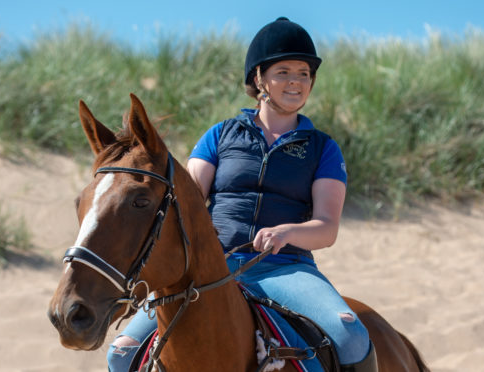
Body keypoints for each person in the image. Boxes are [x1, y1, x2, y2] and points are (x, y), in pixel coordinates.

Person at [107, 17, 377, 372]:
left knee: (351, 335)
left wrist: (287, 233)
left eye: (304, 73)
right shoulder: (218, 136)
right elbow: (185, 205)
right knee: (121, 353)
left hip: (286, 269)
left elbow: (326, 228)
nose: (296, 81)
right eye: (283, 71)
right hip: (212, 269)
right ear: (258, 79)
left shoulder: (323, 149)